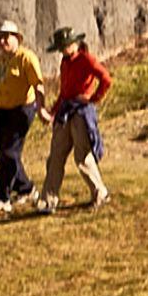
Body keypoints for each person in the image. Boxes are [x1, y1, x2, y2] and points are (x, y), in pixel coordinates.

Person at [0, 20, 46, 212]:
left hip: (21, 110)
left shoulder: (26, 58)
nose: (2, 42)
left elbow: (38, 84)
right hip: (1, 111)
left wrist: (41, 108)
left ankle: (3, 196)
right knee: (4, 155)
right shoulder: (0, 60)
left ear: (16, 38)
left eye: (6, 37)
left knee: (10, 153)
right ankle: (26, 188)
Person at [49, 26, 112, 209]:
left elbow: (106, 79)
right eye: (61, 47)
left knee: (82, 156)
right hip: (65, 111)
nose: (63, 50)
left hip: (81, 112)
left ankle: (100, 192)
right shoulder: (64, 62)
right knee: (56, 155)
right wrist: (54, 111)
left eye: (65, 46)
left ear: (75, 44)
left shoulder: (86, 59)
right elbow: (63, 92)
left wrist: (93, 98)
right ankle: (48, 199)